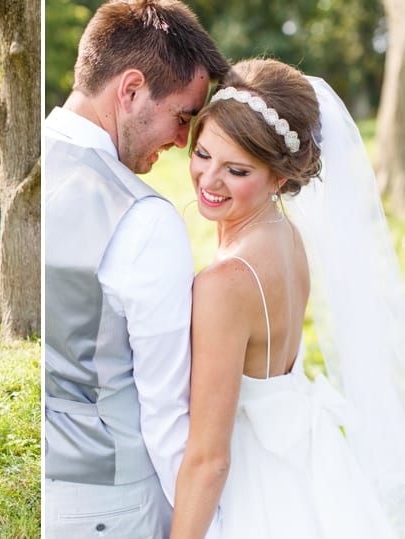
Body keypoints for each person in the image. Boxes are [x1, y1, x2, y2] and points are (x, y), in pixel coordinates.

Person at [170, 58, 405, 538]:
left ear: (281, 177)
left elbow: (209, 459)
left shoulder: (224, 285)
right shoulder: (287, 236)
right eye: (203, 154)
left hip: (251, 488)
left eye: (236, 170)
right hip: (302, 472)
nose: (209, 181)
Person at [44, 1, 229, 536]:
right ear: (130, 91)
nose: (181, 142)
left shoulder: (27, 165)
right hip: (109, 503)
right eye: (183, 117)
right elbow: (167, 416)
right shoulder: (143, 219)